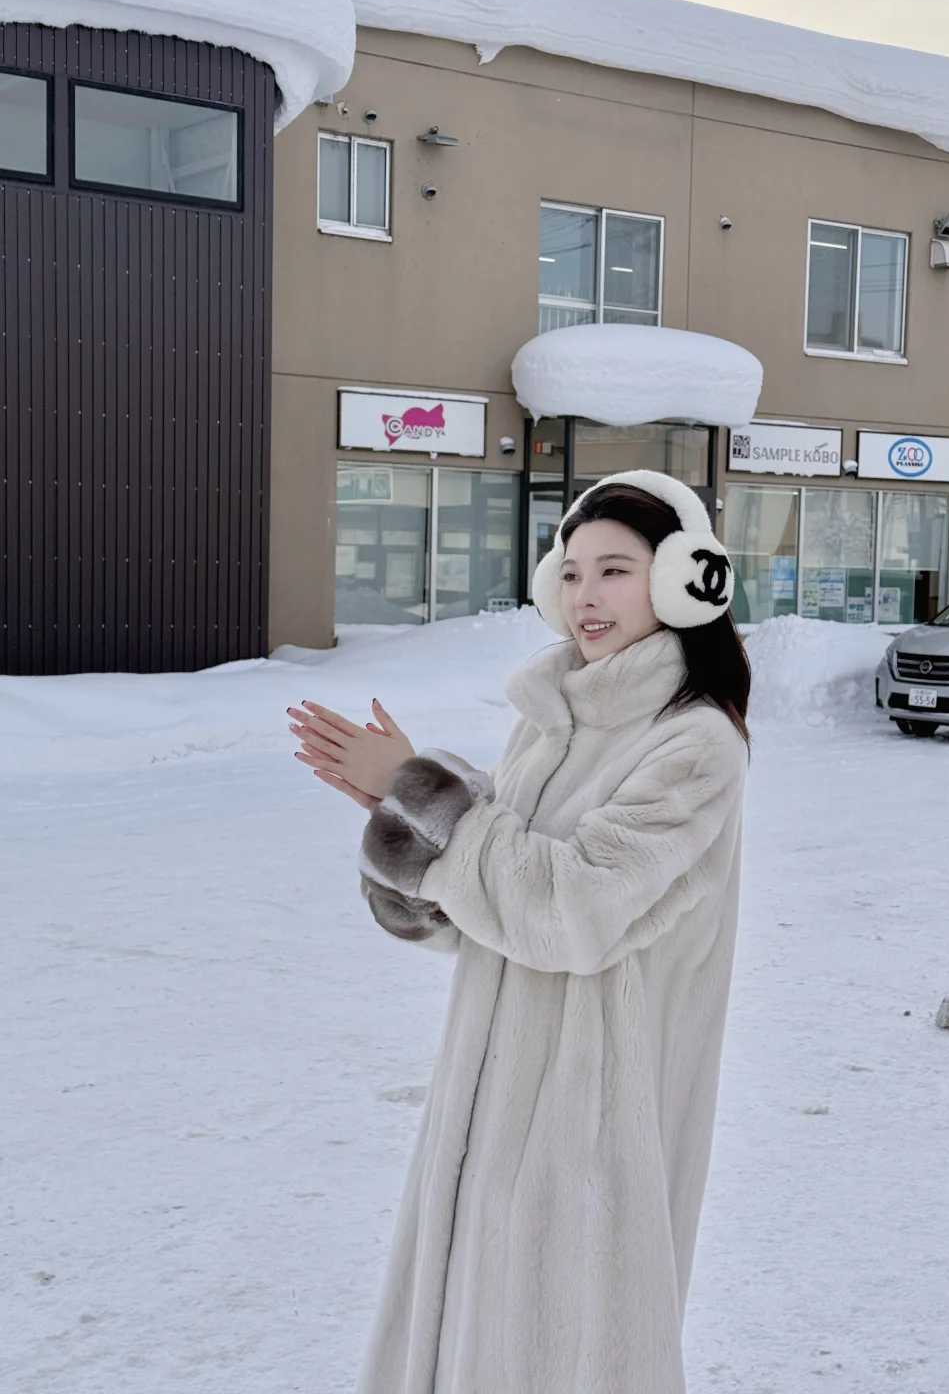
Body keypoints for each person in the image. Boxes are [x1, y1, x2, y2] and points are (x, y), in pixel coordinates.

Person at [286, 469, 751, 1394]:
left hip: (590, 1124)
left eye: (615, 571)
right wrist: (410, 836)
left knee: (558, 1354)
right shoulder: (549, 722)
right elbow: (494, 910)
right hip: (486, 1104)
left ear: (680, 580)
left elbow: (571, 916)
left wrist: (429, 798)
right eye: (571, 572)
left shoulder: (696, 745)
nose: (586, 597)